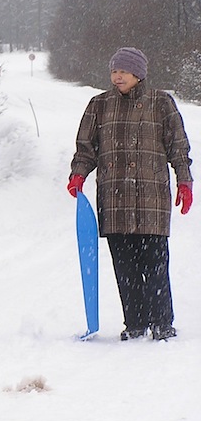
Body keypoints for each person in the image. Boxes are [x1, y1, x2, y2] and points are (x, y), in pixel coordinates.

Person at [67, 47, 193, 342]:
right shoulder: (99, 105)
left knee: (155, 263)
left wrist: (184, 181)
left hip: (152, 200)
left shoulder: (161, 103)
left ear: (139, 74)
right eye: (113, 71)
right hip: (115, 200)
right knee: (124, 266)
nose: (117, 76)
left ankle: (162, 322)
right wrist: (78, 174)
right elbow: (86, 148)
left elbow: (178, 147)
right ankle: (134, 322)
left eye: (123, 71)